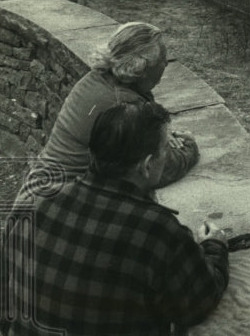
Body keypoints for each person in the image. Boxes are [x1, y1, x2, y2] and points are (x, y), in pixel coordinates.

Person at [0, 101, 229, 336]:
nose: (169, 155)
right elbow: (198, 302)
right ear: (147, 165)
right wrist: (214, 246)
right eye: (166, 149)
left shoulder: (37, 200)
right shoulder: (158, 230)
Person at [16, 22, 198, 203]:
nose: (166, 64)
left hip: (39, 192)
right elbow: (161, 170)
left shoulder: (102, 77)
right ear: (142, 69)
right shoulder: (124, 105)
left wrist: (161, 134)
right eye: (162, 60)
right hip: (56, 202)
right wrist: (189, 149)